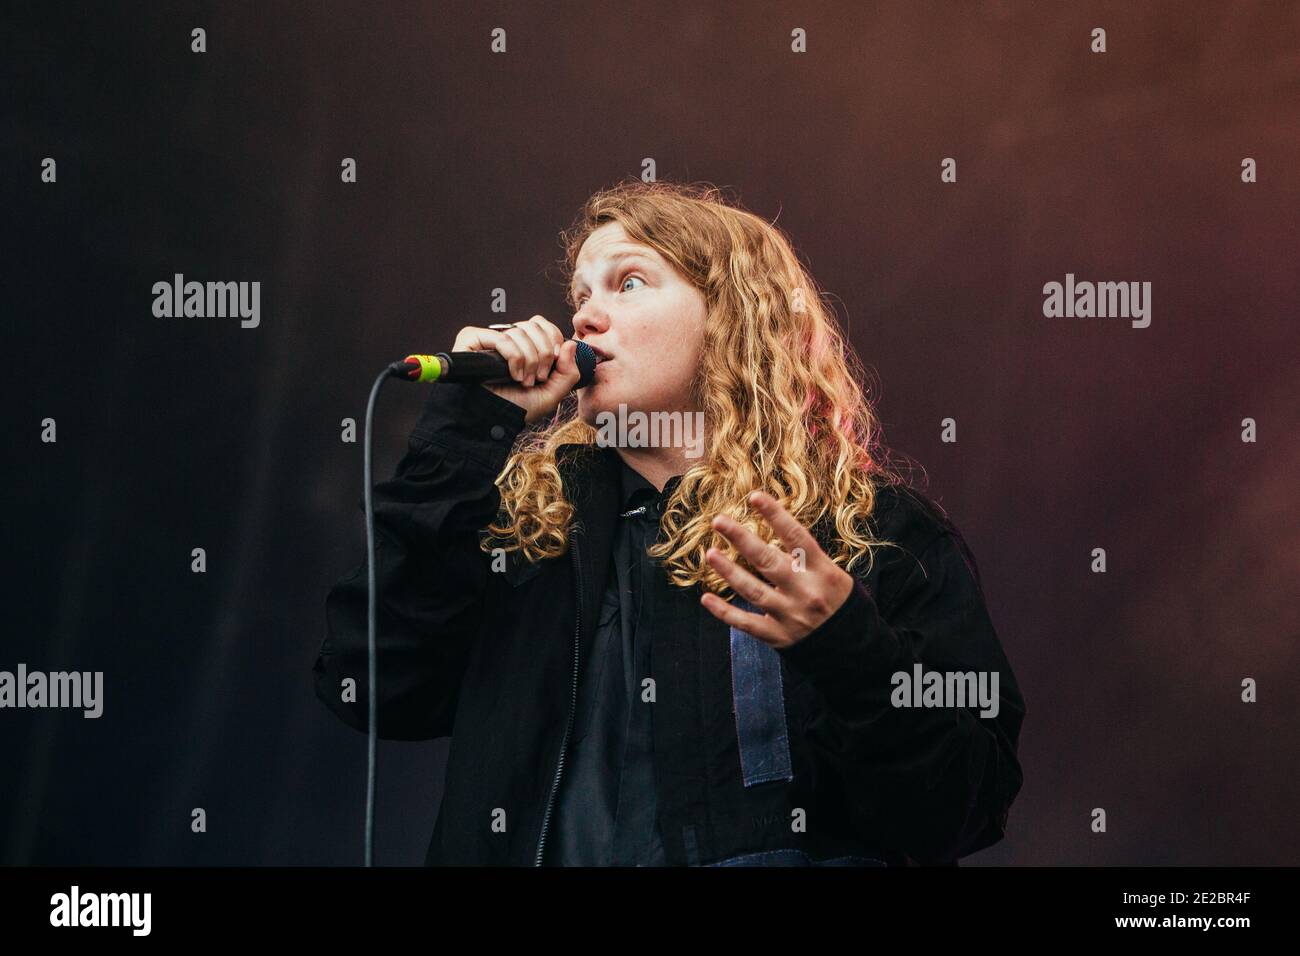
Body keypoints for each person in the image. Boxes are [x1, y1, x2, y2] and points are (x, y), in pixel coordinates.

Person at [313, 179, 1026, 866]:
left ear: (732, 316)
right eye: (581, 295)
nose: (585, 316)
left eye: (628, 283)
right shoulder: (526, 540)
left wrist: (851, 651)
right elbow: (369, 685)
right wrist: (469, 432)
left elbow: (964, 808)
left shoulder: (873, 534)